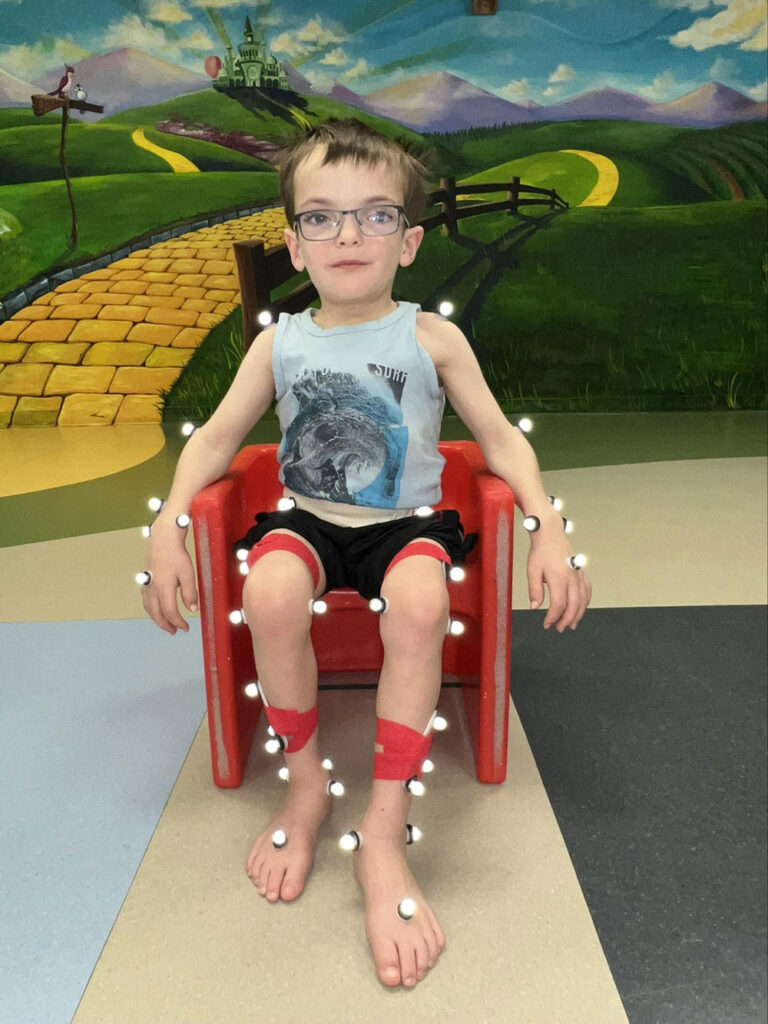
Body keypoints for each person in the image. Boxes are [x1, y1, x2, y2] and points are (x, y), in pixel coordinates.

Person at [140, 117, 591, 990]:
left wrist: (550, 524)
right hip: (307, 518)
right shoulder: (280, 342)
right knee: (267, 592)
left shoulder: (432, 339)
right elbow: (212, 442)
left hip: (409, 522)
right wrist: (164, 528)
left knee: (421, 603)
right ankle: (305, 785)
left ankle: (382, 830)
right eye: (322, 217)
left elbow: (500, 441)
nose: (348, 234)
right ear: (294, 245)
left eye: (374, 216)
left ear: (410, 240)